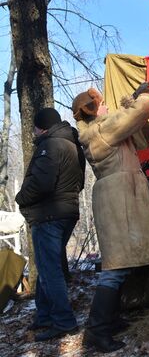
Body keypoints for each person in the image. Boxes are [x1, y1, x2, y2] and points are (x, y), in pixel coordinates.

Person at [73, 85, 149, 352]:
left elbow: (137, 135)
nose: (106, 107)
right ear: (93, 111)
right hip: (118, 201)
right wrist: (144, 98)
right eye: (102, 105)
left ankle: (111, 320)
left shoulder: (103, 129)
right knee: (114, 270)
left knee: (121, 266)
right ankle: (96, 330)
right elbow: (134, 114)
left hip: (120, 199)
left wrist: (134, 105)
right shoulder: (100, 131)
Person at [15, 108, 85, 341]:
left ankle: (64, 321)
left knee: (49, 270)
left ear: (42, 126)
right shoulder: (73, 144)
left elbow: (42, 183)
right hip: (67, 212)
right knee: (48, 267)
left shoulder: (50, 145)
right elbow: (80, 182)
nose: (34, 131)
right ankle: (45, 316)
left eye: (35, 127)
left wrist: (20, 197)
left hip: (49, 214)